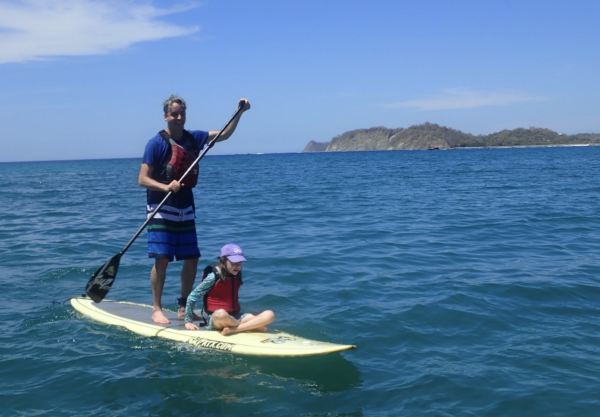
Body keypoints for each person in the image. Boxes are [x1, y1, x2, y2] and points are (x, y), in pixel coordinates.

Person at [139, 95, 251, 324]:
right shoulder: (156, 143)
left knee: (191, 257)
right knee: (162, 259)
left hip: (185, 207)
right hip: (161, 207)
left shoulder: (194, 138)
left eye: (182, 114)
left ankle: (183, 305)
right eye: (174, 114)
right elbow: (142, 179)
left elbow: (224, 133)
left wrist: (240, 112)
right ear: (166, 116)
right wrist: (165, 186)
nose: (179, 118)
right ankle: (157, 308)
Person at [184, 244, 275, 336]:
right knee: (221, 314)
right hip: (216, 318)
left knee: (270, 314)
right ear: (224, 261)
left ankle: (235, 329)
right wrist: (188, 321)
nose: (237, 266)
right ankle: (249, 326)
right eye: (233, 263)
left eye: (239, 263)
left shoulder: (236, 274)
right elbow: (192, 296)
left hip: (234, 317)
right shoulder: (213, 277)